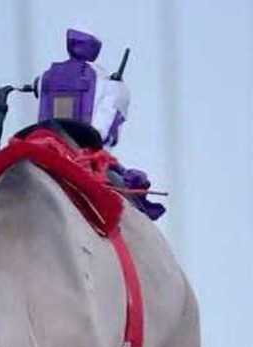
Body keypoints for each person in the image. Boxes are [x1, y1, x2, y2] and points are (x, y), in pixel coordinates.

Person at [33, 28, 165, 220]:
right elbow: (107, 127)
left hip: (42, 140)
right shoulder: (109, 84)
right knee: (135, 188)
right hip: (84, 149)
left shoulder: (46, 76)